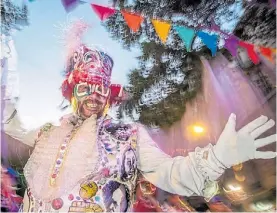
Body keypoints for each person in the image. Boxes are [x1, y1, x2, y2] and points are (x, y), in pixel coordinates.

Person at [2, 43, 276, 212]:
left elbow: (170, 173)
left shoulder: (128, 136)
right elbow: (8, 120)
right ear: (72, 92)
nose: (94, 96)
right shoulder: (47, 133)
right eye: (86, 88)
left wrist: (219, 156)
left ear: (109, 94)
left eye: (101, 89)